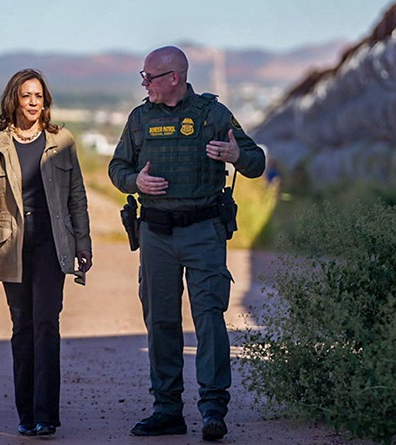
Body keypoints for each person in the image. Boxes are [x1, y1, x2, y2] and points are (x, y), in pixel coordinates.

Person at [108, 46, 266, 442]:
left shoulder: (213, 115)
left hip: (203, 230)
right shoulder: (140, 118)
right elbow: (117, 167)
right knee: (160, 320)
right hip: (156, 233)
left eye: (150, 77)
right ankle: (167, 410)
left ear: (174, 78)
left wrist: (234, 155)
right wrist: (135, 183)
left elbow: (256, 160)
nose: (144, 84)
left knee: (209, 318)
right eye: (143, 77)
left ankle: (213, 409)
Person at [0, 68, 92, 437]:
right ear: (14, 100)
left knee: (46, 325)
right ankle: (26, 414)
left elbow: (77, 198)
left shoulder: (63, 141)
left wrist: (83, 244)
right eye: (27, 96)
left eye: (39, 96)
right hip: (12, 247)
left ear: (46, 101)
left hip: (53, 244)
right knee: (22, 328)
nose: (34, 102)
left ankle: (46, 415)